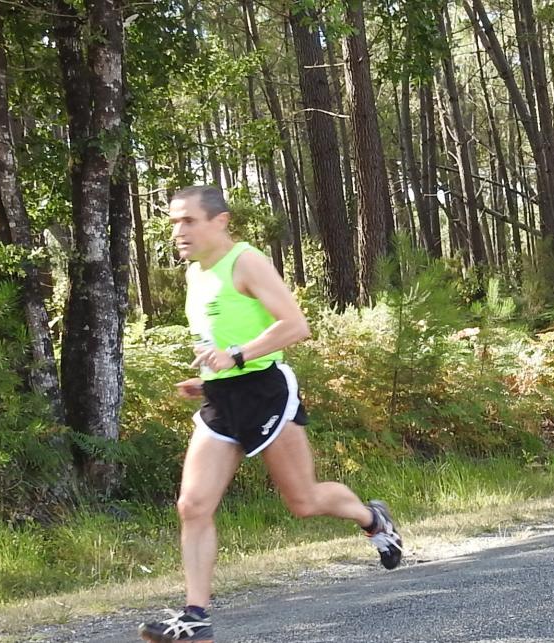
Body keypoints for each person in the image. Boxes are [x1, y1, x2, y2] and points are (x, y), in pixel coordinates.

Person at [139, 186, 403, 643]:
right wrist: (209, 380)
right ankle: (195, 616)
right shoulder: (194, 275)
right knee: (193, 505)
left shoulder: (245, 261)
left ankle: (372, 519)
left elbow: (296, 326)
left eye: (188, 221)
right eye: (174, 222)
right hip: (222, 399)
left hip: (265, 393)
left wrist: (238, 356)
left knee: (303, 502)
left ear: (219, 222)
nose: (178, 231)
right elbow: (218, 341)